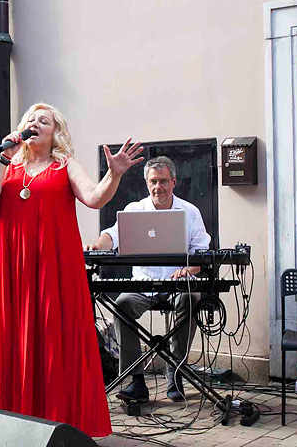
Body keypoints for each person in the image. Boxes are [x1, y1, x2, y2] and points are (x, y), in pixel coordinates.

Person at [0, 103, 144, 437]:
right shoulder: (8, 165)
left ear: (55, 132)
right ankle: (17, 421)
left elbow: (95, 198)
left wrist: (115, 174)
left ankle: (63, 424)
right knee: (17, 337)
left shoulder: (65, 164)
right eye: (30, 119)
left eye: (44, 120)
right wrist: (3, 157)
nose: (35, 123)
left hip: (56, 265)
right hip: (16, 266)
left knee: (57, 339)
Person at [88, 155, 210, 403]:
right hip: (142, 285)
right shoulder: (134, 210)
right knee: (121, 305)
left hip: (178, 284)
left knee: (191, 298)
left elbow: (201, 252)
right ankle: (136, 381)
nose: (158, 187)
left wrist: (189, 269)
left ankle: (175, 371)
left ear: (174, 182)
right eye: (153, 182)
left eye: (164, 181)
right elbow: (112, 236)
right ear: (146, 183)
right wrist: (97, 246)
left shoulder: (190, 212)